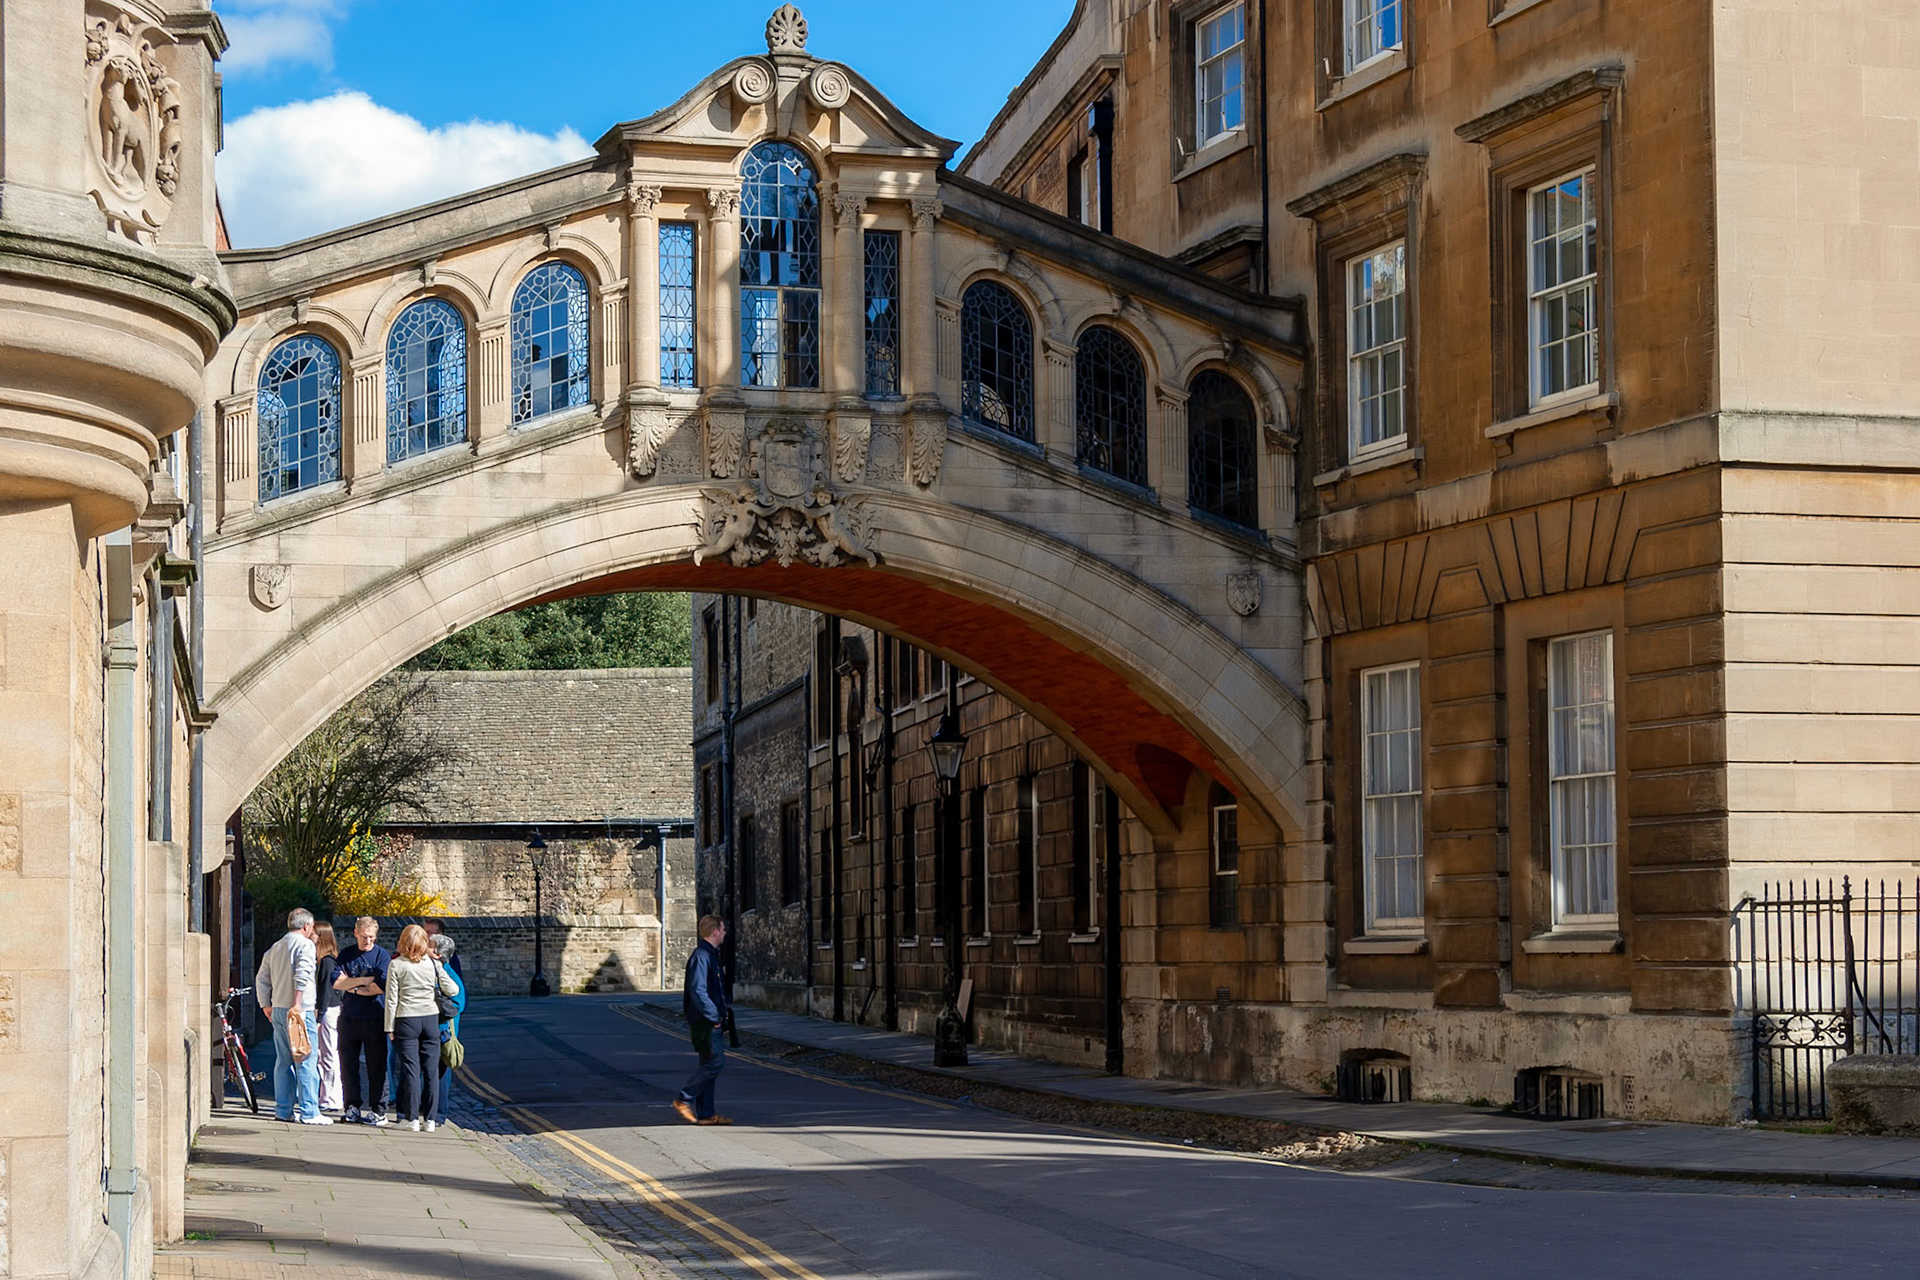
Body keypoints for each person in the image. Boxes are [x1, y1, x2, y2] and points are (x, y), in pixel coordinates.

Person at [254, 907, 330, 1125]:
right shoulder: (305, 945)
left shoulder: (276, 947)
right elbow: (303, 974)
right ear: (306, 926)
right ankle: (309, 1111)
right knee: (306, 1058)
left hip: (277, 1008)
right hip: (299, 1010)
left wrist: (265, 1005)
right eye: (312, 926)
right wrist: (297, 1003)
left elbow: (262, 979)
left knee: (283, 1061)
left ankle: (283, 1109)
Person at [385, 923, 458, 1132]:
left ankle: (412, 1118)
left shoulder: (396, 965)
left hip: (406, 1019)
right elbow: (452, 990)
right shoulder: (433, 965)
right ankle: (431, 1120)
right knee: (431, 1071)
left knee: (410, 1070)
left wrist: (389, 1028)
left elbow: (391, 1000)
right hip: (430, 1020)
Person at [332, 916, 391, 1125]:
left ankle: (377, 1109)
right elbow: (336, 982)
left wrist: (351, 985)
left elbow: (379, 986)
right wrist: (364, 982)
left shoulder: (382, 956)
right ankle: (352, 1107)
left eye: (372, 938)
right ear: (355, 933)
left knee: (377, 1066)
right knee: (348, 1065)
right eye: (365, 937)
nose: (368, 941)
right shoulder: (346, 954)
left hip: (374, 1018)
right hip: (349, 1017)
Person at [673, 915, 731, 1126]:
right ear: (715, 932)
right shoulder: (701, 956)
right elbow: (698, 991)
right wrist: (714, 1016)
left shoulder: (710, 955)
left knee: (709, 1065)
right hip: (704, 1022)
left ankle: (706, 1114)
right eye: (723, 929)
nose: (725, 933)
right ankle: (683, 1098)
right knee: (714, 1064)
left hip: (709, 1021)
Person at [427, 932, 466, 1128]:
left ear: (437, 953)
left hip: (443, 1033)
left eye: (429, 945)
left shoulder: (448, 973)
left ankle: (439, 1114)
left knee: (441, 1075)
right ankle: (429, 1111)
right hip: (432, 1030)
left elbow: (459, 1004)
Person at [313, 921, 344, 1115]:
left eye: (315, 934)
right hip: (328, 1011)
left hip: (328, 1012)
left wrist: (319, 1016)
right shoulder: (328, 959)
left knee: (328, 1055)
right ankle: (327, 1096)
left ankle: (331, 1098)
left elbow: (325, 990)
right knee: (325, 1055)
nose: (311, 937)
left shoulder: (326, 961)